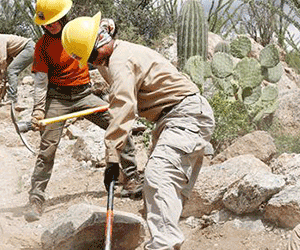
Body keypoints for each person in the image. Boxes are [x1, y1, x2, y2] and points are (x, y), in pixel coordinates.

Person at [61, 12, 216, 249]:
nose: (93, 62)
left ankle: (164, 245)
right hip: (173, 119)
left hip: (186, 115)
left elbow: (123, 109)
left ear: (101, 41)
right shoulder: (113, 51)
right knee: (163, 192)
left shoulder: (120, 61)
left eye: (92, 56)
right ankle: (165, 241)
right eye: (89, 59)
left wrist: (112, 159)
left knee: (158, 176)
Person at [23, 0, 142, 223]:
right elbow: (40, 82)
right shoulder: (42, 47)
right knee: (47, 148)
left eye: (54, 21)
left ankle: (132, 179)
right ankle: (36, 199)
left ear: (63, 16)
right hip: (58, 97)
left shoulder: (79, 30)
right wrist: (39, 111)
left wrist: (107, 25)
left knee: (118, 125)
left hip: (84, 94)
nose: (50, 26)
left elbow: (104, 27)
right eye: (46, 24)